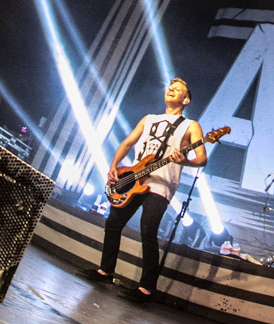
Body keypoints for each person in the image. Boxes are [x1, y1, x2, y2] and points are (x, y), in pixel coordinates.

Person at [78, 77, 206, 303]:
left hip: (161, 185)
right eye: (170, 87)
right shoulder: (149, 119)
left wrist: (184, 161)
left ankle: (146, 288)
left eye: (177, 89)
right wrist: (113, 166)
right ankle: (105, 271)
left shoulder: (191, 125)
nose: (171, 89)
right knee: (113, 222)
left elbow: (202, 158)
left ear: (186, 100)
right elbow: (127, 143)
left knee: (148, 231)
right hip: (135, 178)